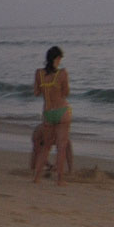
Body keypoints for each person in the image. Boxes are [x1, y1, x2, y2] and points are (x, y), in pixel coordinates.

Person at [33, 46, 72, 185]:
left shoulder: (39, 73)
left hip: (48, 113)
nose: (60, 61)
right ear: (56, 58)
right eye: (60, 58)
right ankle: (60, 179)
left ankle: (36, 177)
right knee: (61, 147)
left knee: (46, 147)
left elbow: (36, 92)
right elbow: (66, 92)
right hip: (62, 111)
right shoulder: (62, 73)